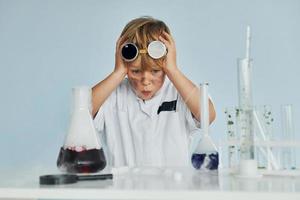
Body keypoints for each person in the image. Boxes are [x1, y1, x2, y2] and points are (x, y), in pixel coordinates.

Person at [92, 16, 216, 168]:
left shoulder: (179, 91)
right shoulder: (113, 94)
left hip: (173, 189)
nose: (146, 80)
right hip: (124, 189)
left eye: (155, 71)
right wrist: (118, 72)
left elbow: (207, 116)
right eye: (136, 71)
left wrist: (173, 70)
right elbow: (82, 111)